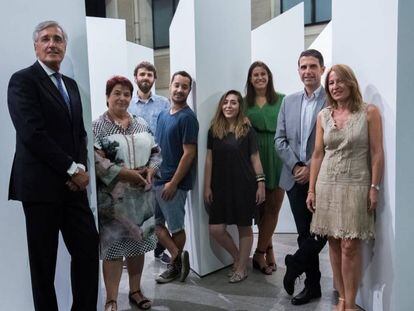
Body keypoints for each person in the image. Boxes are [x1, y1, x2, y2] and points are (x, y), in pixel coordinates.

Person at [7, 21, 99, 310]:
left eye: (58, 39)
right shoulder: (22, 80)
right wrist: (71, 168)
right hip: (40, 188)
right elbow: (32, 133)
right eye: (45, 39)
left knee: (86, 250)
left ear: (64, 46)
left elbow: (80, 134)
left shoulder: (70, 86)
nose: (52, 44)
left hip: (74, 188)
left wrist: (81, 169)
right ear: (35, 46)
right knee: (43, 264)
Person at [306, 64, 384, 311]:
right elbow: (317, 154)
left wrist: (374, 187)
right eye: (331, 83)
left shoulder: (369, 112)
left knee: (350, 244)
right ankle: (341, 298)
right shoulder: (323, 115)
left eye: (340, 81)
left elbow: (376, 152)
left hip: (356, 184)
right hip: (326, 184)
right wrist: (311, 189)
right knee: (333, 242)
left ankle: (350, 303)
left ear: (350, 82)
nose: (335, 86)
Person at [93, 76, 160, 311]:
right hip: (113, 202)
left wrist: (152, 169)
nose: (122, 98)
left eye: (126, 94)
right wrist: (127, 174)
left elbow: (156, 151)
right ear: (107, 97)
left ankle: (135, 290)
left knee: (137, 246)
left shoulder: (141, 122)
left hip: (141, 198)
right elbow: (98, 162)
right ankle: (111, 298)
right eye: (117, 93)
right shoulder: (97, 126)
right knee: (112, 249)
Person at [275, 49, 328, 305]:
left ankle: (294, 265)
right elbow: (279, 139)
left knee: (322, 232)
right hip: (294, 179)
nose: (308, 71)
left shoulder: (332, 100)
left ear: (322, 69)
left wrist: (310, 168)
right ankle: (312, 285)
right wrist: (297, 166)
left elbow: (331, 143)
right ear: (298, 71)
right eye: (303, 67)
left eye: (313, 66)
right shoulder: (289, 101)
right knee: (304, 234)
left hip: (324, 178)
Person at [204, 90, 265, 283]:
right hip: (220, 186)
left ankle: (241, 268)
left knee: (244, 227)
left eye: (233, 103)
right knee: (215, 229)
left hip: (244, 185)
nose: (229, 106)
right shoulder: (213, 130)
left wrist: (260, 184)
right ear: (221, 106)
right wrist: (207, 186)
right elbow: (209, 160)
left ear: (240, 107)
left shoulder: (247, 130)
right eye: (226, 102)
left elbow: (255, 158)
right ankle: (239, 257)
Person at [154, 71, 199, 284]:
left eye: (185, 87)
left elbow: (189, 153)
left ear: (189, 90)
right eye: (177, 85)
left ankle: (174, 266)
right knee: (152, 224)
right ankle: (177, 255)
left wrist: (174, 182)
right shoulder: (164, 114)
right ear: (170, 86)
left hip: (173, 183)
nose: (180, 90)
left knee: (175, 227)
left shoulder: (188, 118)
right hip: (157, 179)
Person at [244, 61, 285, 275]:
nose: (259, 77)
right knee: (259, 208)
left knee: (273, 207)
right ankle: (268, 248)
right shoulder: (243, 103)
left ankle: (260, 252)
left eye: (263, 74)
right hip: (253, 157)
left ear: (269, 77)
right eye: (255, 74)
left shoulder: (282, 100)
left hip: (278, 156)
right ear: (250, 79)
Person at [128, 61, 171, 265]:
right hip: (134, 165)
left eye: (149, 75)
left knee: (159, 212)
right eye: (142, 74)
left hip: (159, 164)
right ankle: (132, 254)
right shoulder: (127, 103)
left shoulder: (164, 103)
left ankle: (159, 250)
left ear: (154, 79)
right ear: (135, 77)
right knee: (134, 212)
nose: (145, 78)